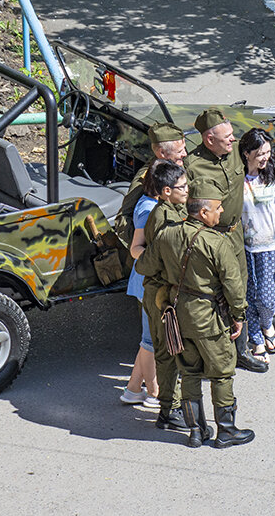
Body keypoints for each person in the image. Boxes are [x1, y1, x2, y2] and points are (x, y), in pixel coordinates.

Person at [135, 177, 255, 448]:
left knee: (188, 372)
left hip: (178, 316)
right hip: (209, 318)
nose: (222, 211)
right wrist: (239, 316)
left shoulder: (167, 236)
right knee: (222, 371)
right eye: (218, 207)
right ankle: (226, 430)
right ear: (203, 212)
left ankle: (196, 432)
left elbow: (143, 265)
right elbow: (234, 286)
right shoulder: (216, 242)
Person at [184, 108, 275, 373]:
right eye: (227, 137)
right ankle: (207, 356)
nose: (233, 140)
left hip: (237, 236)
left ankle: (244, 347)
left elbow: (265, 160)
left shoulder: (235, 151)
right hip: (208, 237)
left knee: (241, 293)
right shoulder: (192, 165)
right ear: (209, 139)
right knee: (209, 295)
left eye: (233, 136)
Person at [119, 159, 185, 409]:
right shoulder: (148, 210)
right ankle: (155, 393)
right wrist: (157, 261)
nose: (186, 189)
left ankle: (134, 389)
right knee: (149, 342)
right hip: (147, 283)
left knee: (148, 340)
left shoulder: (158, 204)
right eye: (182, 186)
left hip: (148, 281)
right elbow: (136, 248)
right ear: (164, 188)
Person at [238, 128, 275, 364]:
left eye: (268, 153)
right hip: (245, 245)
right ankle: (256, 338)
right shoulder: (236, 176)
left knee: (266, 296)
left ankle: (267, 325)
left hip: (271, 245)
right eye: (260, 153)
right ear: (246, 154)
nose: (265, 158)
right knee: (250, 294)